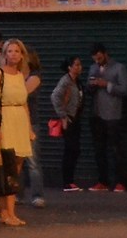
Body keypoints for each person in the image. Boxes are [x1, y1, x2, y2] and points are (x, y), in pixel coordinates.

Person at [0, 40, 37, 229]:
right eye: (10, 51)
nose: (14, 54)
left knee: (16, 170)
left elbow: (24, 103)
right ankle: (4, 212)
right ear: (4, 54)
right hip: (5, 120)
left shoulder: (20, 75)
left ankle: (11, 212)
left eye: (17, 51)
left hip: (19, 120)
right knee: (5, 169)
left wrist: (29, 128)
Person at [83, 45, 127, 192]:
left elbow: (125, 89)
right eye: (95, 59)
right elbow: (88, 90)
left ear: (106, 54)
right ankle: (103, 181)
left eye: (99, 58)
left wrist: (107, 84)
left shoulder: (119, 68)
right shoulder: (93, 68)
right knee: (99, 150)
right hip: (96, 114)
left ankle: (120, 181)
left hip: (113, 115)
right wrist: (91, 85)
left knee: (116, 150)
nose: (97, 61)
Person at [50, 58, 85, 192]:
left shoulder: (77, 82)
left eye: (79, 65)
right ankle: (67, 181)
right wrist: (63, 116)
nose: (79, 67)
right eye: (76, 65)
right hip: (69, 119)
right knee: (70, 149)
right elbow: (55, 97)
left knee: (75, 150)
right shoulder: (66, 81)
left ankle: (70, 180)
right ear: (69, 67)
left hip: (76, 118)